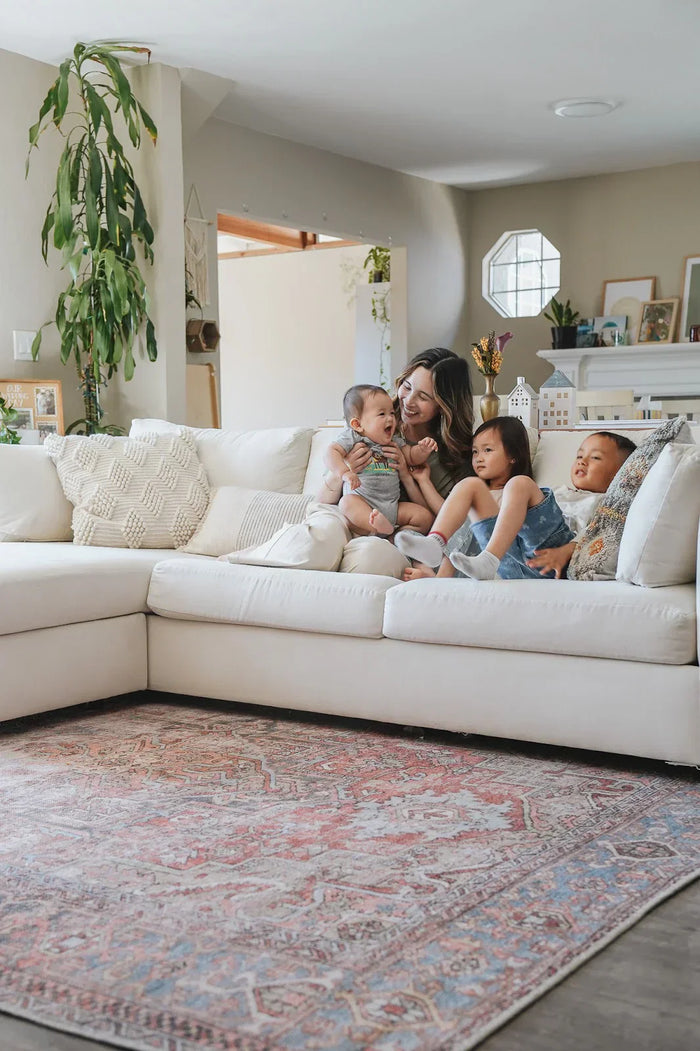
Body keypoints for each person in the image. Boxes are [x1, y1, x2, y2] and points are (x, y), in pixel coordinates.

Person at [396, 420, 636, 581]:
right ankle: (435, 543)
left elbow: (601, 537)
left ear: (618, 474)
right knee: (470, 485)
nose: (582, 461)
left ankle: (486, 560)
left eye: (595, 458)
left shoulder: (606, 504)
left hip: (551, 558)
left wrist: (567, 551)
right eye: (580, 455)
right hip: (512, 562)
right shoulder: (559, 491)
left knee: (520, 483)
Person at [325, 384, 436, 537]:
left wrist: (422, 450)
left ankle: (393, 538)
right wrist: (345, 472)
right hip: (363, 504)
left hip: (392, 507)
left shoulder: (394, 441)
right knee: (346, 503)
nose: (390, 418)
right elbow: (331, 452)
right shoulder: (354, 437)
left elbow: (411, 456)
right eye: (382, 414)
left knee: (425, 518)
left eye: (392, 413)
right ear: (358, 424)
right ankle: (375, 527)